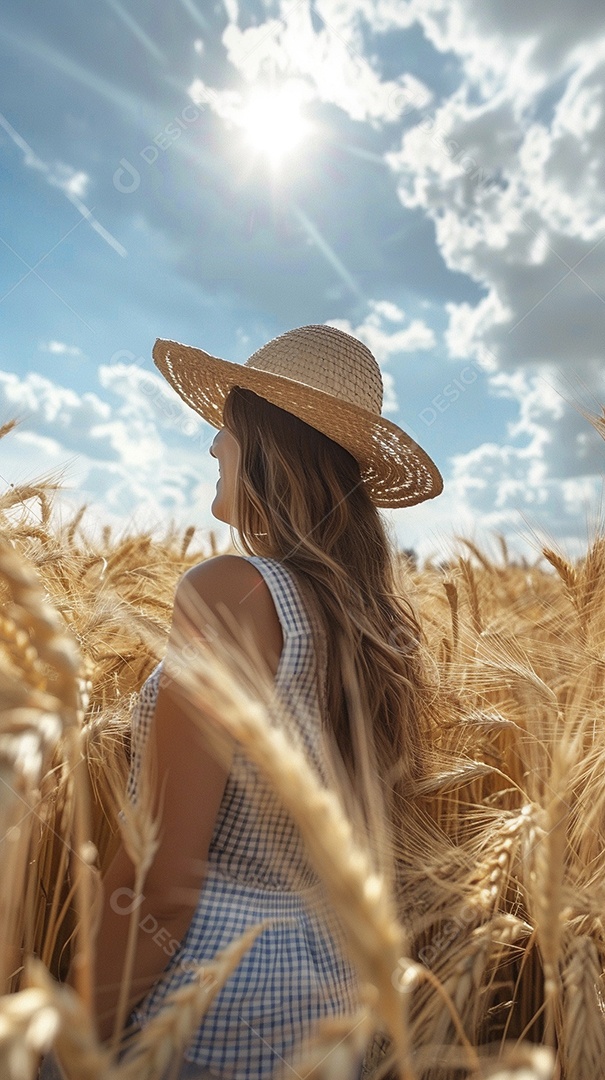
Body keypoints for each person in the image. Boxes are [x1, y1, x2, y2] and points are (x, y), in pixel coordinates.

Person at [89, 324, 443, 1078]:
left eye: (228, 426)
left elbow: (165, 878)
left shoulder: (232, 591)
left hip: (207, 994)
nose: (213, 446)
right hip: (327, 1000)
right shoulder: (381, 631)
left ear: (265, 442)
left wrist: (72, 1041)